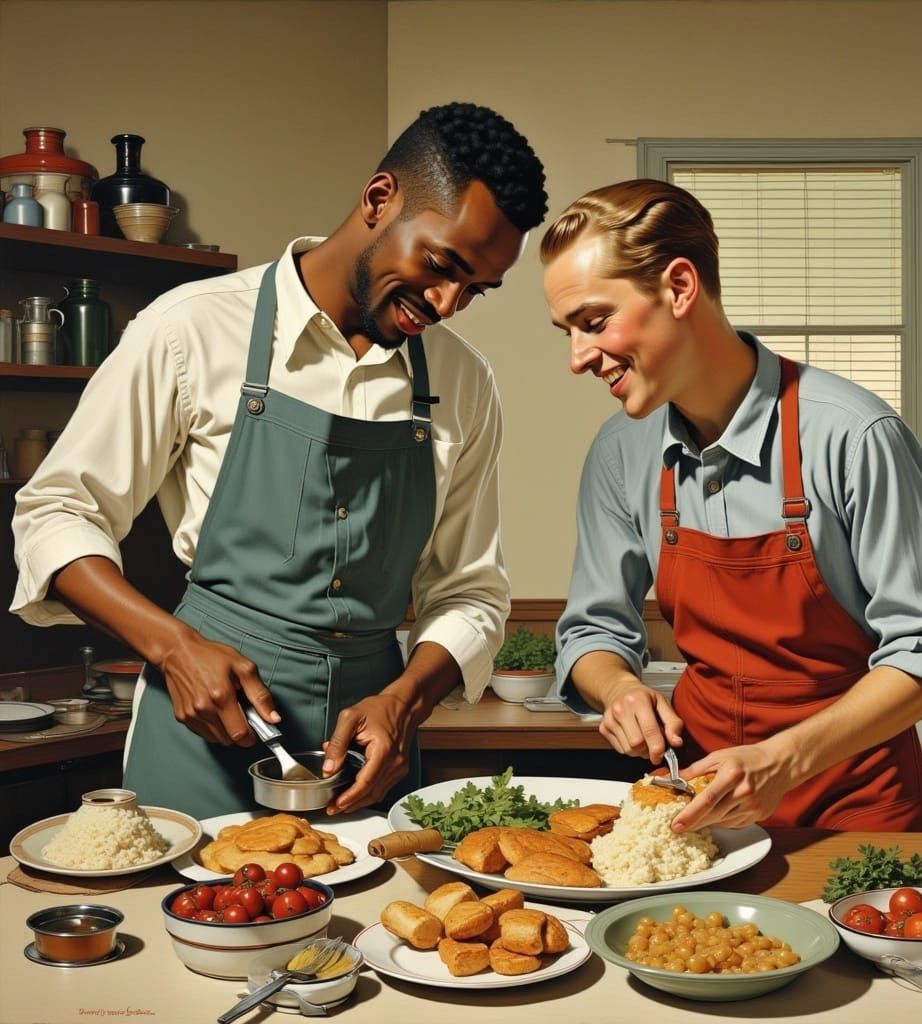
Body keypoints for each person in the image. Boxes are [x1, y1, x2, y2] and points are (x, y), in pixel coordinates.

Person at [11, 102, 547, 820]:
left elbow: (470, 591)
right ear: (379, 198)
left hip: (366, 761)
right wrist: (173, 648)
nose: (449, 302)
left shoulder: (466, 382)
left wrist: (405, 700)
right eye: (441, 265)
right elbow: (56, 514)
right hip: (199, 736)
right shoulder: (190, 329)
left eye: (475, 288)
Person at [540, 179, 922, 834]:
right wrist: (621, 689)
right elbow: (591, 633)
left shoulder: (854, 436)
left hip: (857, 809)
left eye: (595, 322)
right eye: (566, 331)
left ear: (680, 287)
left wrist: (786, 760)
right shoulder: (619, 451)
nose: (577, 358)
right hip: (702, 806)